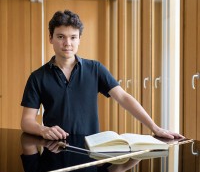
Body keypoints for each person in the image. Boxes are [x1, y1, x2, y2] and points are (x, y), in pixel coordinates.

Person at [21, 9, 183, 141]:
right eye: (61, 37)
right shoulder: (37, 77)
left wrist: (155, 128)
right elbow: (27, 121)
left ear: (79, 40)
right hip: (54, 149)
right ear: (51, 38)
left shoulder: (95, 69)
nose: (67, 43)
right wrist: (43, 130)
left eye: (73, 37)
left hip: (91, 150)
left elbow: (123, 97)